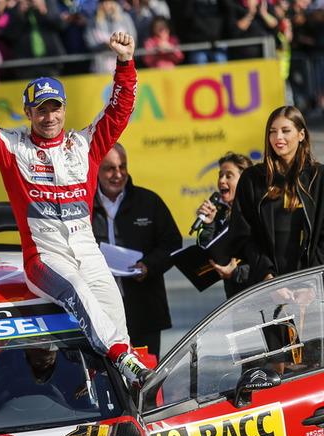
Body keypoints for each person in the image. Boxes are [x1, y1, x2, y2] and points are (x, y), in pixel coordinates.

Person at [0, 32, 154, 389]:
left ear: (64, 109)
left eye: (54, 107)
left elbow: (120, 109)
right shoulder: (12, 148)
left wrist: (125, 63)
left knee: (114, 313)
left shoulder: (86, 144)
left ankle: (115, 383)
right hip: (44, 259)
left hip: (89, 252)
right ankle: (123, 357)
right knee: (78, 291)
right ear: (27, 112)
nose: (49, 116)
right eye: (40, 109)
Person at [91, 143, 182, 358]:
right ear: (96, 170)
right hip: (99, 309)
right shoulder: (82, 204)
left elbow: (172, 244)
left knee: (145, 375)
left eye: (123, 167)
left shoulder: (148, 202)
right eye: (110, 168)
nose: (118, 174)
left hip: (144, 309)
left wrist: (148, 266)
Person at [231, 105, 324, 285]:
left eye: (285, 130)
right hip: (264, 285)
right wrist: (267, 277)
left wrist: (311, 284)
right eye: (272, 132)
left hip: (311, 285)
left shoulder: (318, 178)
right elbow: (243, 236)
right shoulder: (252, 179)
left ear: (301, 134)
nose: (278, 137)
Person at [194, 152, 254, 298]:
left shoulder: (256, 212)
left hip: (259, 295)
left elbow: (267, 261)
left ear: (244, 180)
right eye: (220, 175)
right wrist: (208, 223)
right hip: (234, 299)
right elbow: (210, 252)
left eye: (228, 176)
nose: (221, 180)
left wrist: (237, 273)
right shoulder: (221, 213)